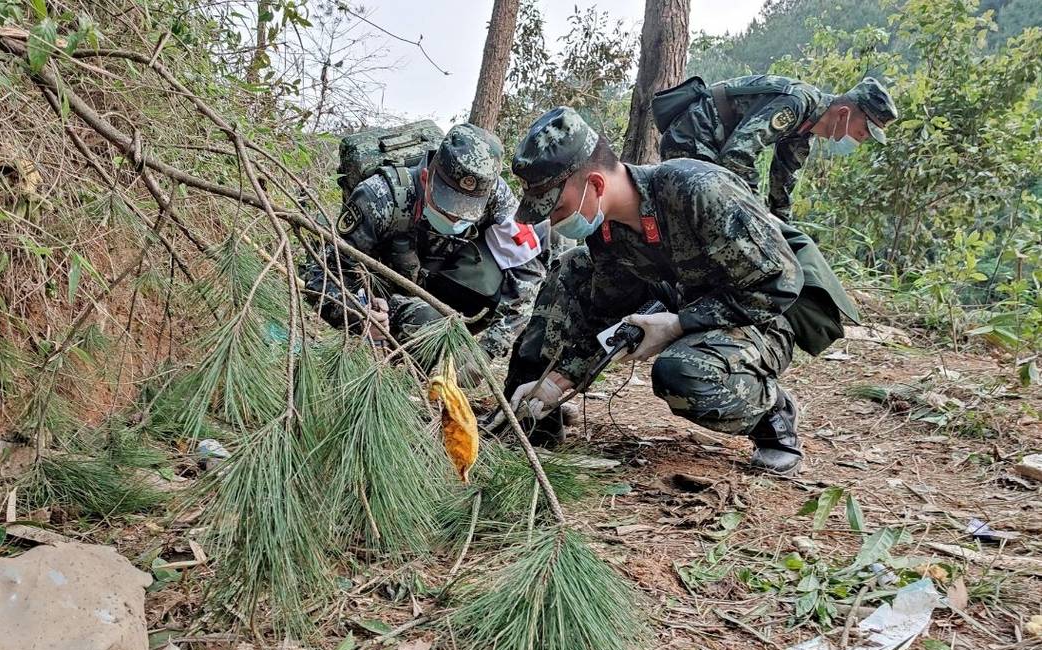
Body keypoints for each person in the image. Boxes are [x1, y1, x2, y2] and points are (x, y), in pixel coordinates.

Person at [503, 107, 857, 476]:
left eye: (557, 208)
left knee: (682, 373)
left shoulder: (697, 189)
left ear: (595, 185)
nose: (555, 221)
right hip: (688, 302)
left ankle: (773, 415)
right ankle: (530, 411)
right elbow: (606, 313)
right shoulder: (606, 233)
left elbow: (778, 284)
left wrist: (678, 324)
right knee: (573, 265)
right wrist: (558, 382)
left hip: (765, 315)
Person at [304, 123, 545, 381]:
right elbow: (320, 278)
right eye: (447, 207)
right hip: (387, 299)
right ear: (425, 178)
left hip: (446, 286)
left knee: (532, 280)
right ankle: (395, 379)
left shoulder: (497, 197)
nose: (454, 218)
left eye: (466, 213)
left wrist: (485, 353)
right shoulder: (379, 197)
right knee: (426, 321)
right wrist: (360, 316)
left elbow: (528, 276)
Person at [654, 75, 897, 221]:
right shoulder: (797, 103)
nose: (861, 139)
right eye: (862, 131)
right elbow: (737, 156)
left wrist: (784, 232)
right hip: (693, 136)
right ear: (844, 113)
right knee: (704, 219)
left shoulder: (805, 131)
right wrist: (758, 214)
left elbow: (782, 186)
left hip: (713, 147)